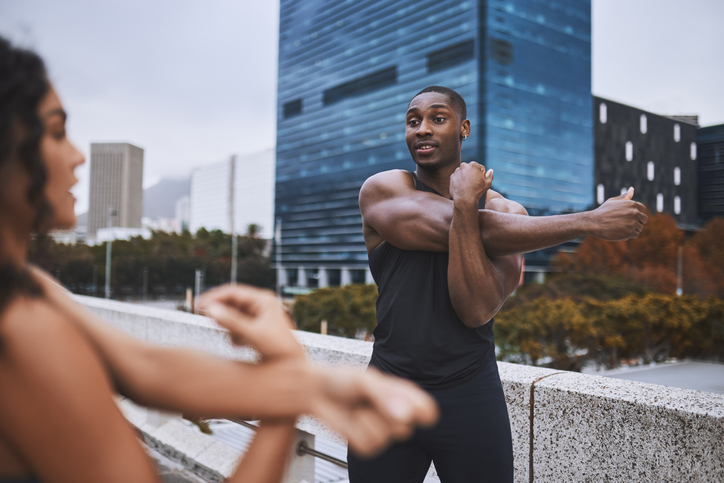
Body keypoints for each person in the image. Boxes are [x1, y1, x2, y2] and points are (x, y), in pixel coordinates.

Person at [0, 37, 438, 483]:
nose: (76, 156)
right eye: (56, 132)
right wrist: (285, 390)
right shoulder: (22, 330)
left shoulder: (26, 288)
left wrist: (305, 385)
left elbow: (144, 366)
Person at [348, 86, 649, 483]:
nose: (422, 129)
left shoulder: (510, 212)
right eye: (413, 121)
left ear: (464, 128)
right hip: (388, 388)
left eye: (438, 118)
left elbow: (475, 309)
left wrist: (468, 206)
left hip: (470, 395)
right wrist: (590, 221)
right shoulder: (383, 190)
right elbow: (445, 223)